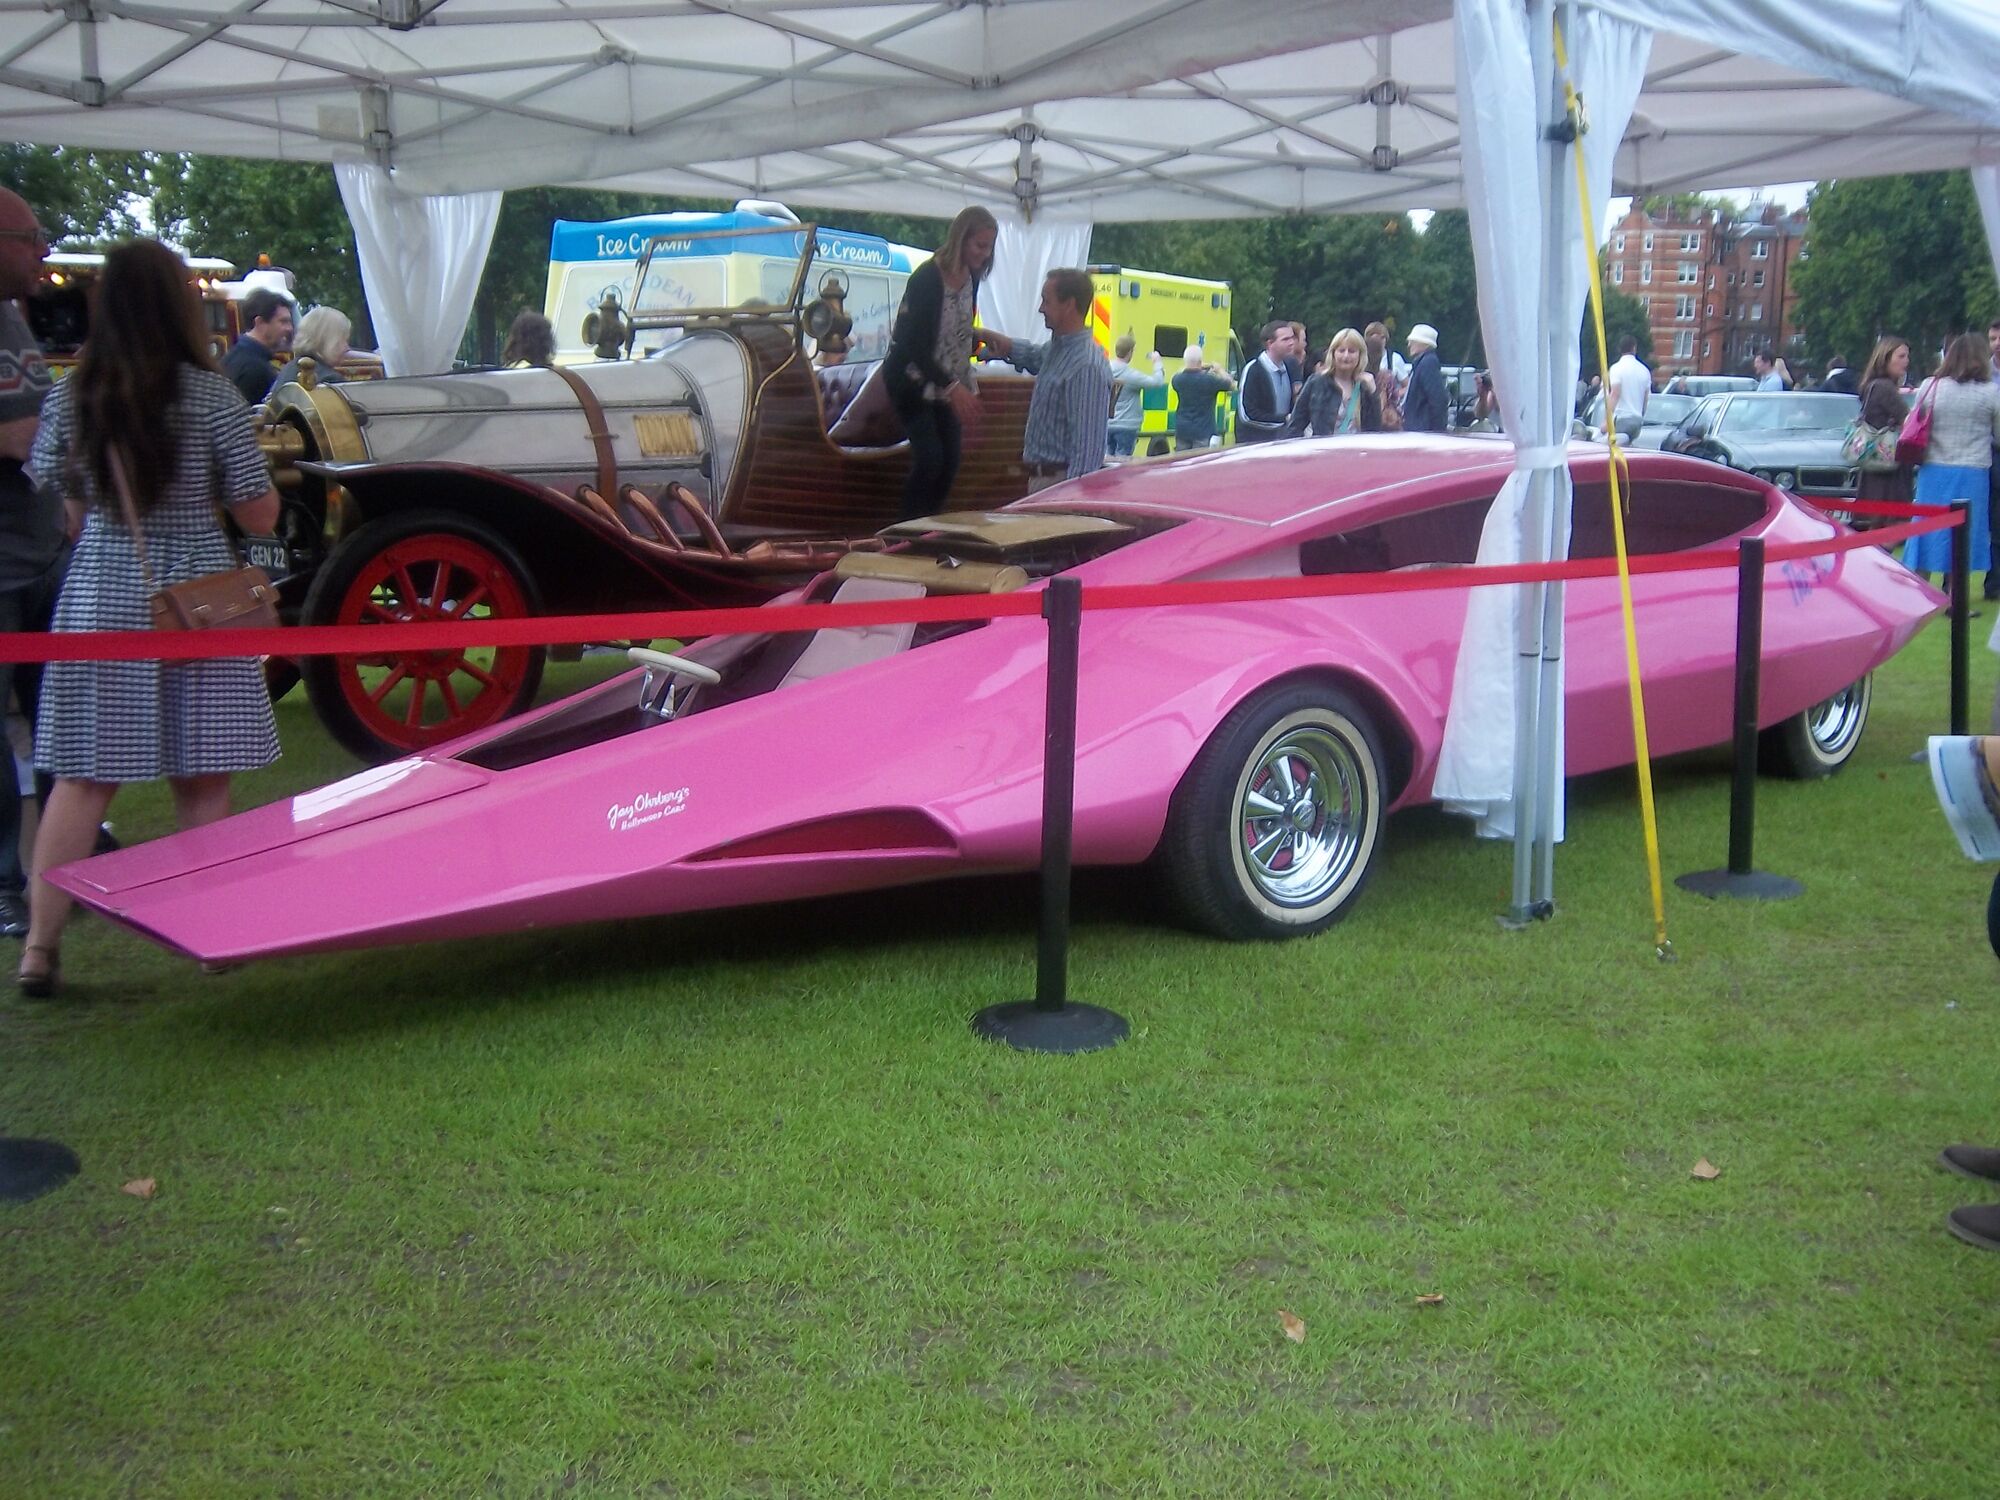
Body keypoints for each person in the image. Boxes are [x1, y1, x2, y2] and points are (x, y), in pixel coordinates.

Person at [18, 239, 282, 997]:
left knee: (82, 781)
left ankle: (39, 947)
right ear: (177, 303)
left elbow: (67, 510)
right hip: (197, 596)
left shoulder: (71, 396)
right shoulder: (210, 396)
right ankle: (209, 937)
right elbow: (260, 513)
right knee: (201, 777)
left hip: (102, 589)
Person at [0, 187, 62, 941]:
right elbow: (25, 440)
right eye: (30, 238)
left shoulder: (14, 317)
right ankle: (4, 881)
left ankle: (64, 846)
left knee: (57, 716)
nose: (42, 252)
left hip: (41, 550)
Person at [883, 206, 997, 520]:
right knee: (930, 459)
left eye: (989, 247)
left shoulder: (971, 278)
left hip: (946, 381)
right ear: (961, 239)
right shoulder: (926, 278)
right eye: (980, 246)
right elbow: (913, 342)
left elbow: (950, 327)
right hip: (913, 380)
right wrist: (953, 386)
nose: (985, 255)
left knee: (950, 464)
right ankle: (905, 531)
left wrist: (982, 335)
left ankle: (928, 526)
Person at [973, 268, 1112, 490]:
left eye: (1046, 301)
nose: (1041, 308)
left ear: (1068, 305)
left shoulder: (1086, 366)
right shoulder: (1057, 351)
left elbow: (1087, 454)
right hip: (1046, 481)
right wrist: (1004, 345)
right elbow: (1034, 356)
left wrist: (1069, 505)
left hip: (1059, 486)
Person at [1900, 333, 2000, 595]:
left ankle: (1917, 592)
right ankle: (1956, 600)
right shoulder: (1991, 392)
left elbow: (1914, 422)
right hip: (1973, 470)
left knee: (1926, 530)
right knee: (1964, 535)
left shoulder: (1931, 386)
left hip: (1934, 468)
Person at [1852, 336, 1913, 528]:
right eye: (1901, 356)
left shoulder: (1872, 385)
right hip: (1887, 464)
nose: (1906, 361)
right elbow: (1909, 422)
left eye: (1907, 356)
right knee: (1889, 525)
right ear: (1885, 358)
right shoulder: (1884, 388)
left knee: (1875, 523)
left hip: (1874, 461)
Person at [1282, 327, 1381, 438]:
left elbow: (1375, 430)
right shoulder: (1317, 382)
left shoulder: (1364, 386)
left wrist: (1373, 392)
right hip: (1324, 451)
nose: (1346, 356)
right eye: (1341, 350)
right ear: (1333, 353)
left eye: (1352, 351)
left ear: (1360, 355)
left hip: (1356, 451)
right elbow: (1295, 426)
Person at [220, 286, 294, 404]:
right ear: (259, 322)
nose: (289, 328)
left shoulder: (231, 357)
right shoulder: (255, 369)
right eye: (283, 322)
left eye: (290, 322)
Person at [1236, 320, 1299, 443]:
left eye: (1292, 338)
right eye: (1285, 339)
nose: (1291, 343)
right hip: (1254, 443)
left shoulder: (1291, 366)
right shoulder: (1254, 369)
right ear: (1270, 344)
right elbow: (1247, 415)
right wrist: (1283, 420)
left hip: (1283, 441)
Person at [1106, 334, 1165, 458]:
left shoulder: (1105, 369)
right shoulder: (1130, 375)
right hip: (1127, 426)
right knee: (1122, 463)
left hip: (1107, 424)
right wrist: (1157, 363)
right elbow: (1157, 382)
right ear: (1130, 352)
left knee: (1107, 460)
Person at [269, 305, 351, 389]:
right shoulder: (330, 380)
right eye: (344, 340)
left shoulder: (289, 369)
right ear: (328, 341)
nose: (347, 348)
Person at [1171, 345, 1234, 451]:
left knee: (1182, 463)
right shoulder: (1209, 380)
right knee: (1200, 464)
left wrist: (1196, 365)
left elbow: (1181, 371)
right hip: (1203, 432)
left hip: (1182, 431)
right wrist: (1219, 370)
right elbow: (1231, 384)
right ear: (1200, 361)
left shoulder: (1177, 380)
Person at [1400, 322, 1449, 432]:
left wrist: (1437, 432)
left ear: (1424, 343)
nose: (1409, 345)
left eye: (1412, 342)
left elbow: (1438, 400)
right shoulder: (1423, 363)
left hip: (1423, 432)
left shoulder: (1428, 363)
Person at [1605, 334, 1651, 442]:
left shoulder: (1616, 368)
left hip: (1622, 418)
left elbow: (1615, 394)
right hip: (1637, 420)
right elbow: (1646, 398)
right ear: (1634, 348)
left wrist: (1607, 420)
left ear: (1619, 349)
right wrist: (1641, 414)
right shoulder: (1644, 370)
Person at [1365, 322, 1406, 429]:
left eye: (1383, 337)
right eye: (1376, 337)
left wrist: (1393, 393)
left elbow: (1407, 385)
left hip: (1386, 417)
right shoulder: (1360, 357)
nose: (1380, 341)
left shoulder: (1395, 358)